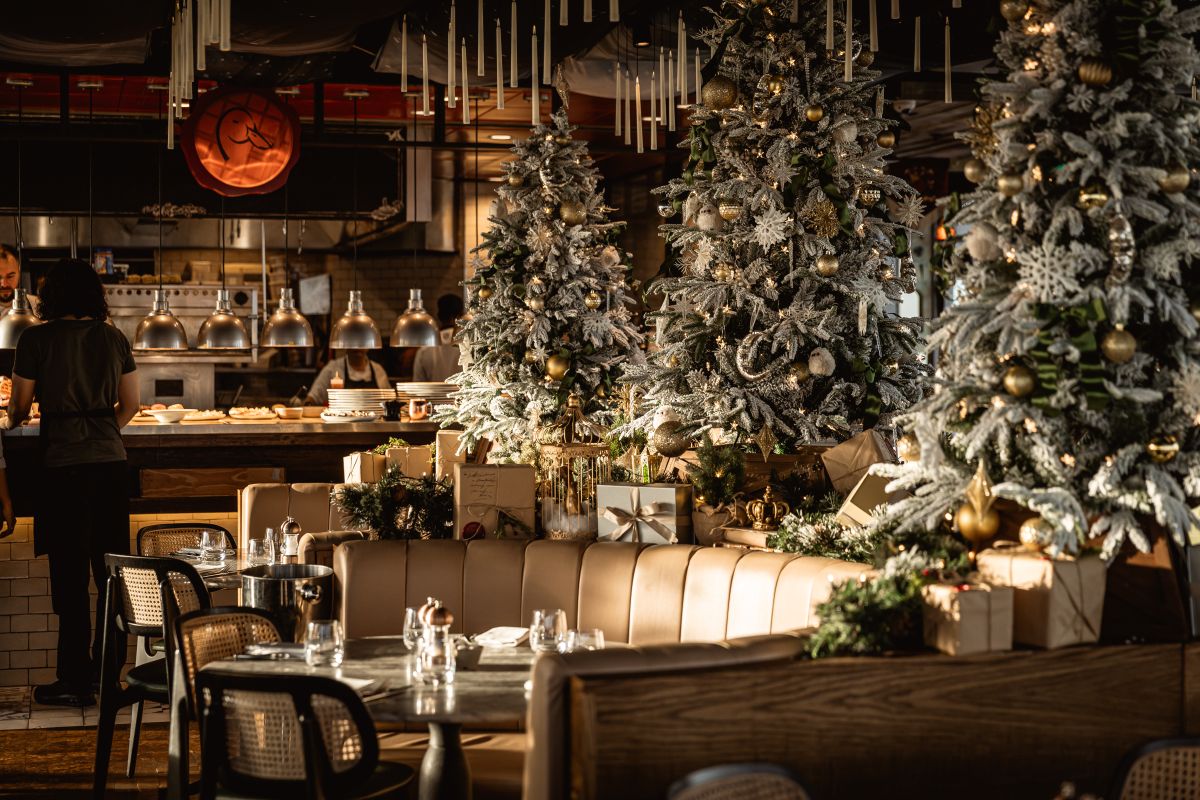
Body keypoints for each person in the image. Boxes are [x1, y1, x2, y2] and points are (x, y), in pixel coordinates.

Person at [3, 258, 139, 707]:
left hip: (61, 467)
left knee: (69, 578)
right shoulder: (114, 337)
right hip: (110, 466)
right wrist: (101, 428)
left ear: (50, 296)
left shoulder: (35, 338)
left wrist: (15, 417)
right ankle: (109, 679)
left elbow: (19, 407)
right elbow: (132, 404)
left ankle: (74, 681)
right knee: (111, 577)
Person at [305, 348, 390, 406]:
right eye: (353, 340)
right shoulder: (333, 368)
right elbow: (311, 398)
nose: (357, 346)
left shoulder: (378, 370)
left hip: (375, 428)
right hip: (341, 428)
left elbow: (390, 401)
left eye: (361, 340)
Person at [412, 293, 463, 382]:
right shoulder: (470, 345)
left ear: (438, 316)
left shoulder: (424, 350)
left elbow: (417, 383)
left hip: (431, 396)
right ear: (460, 316)